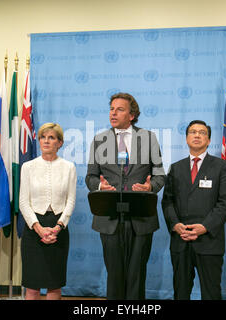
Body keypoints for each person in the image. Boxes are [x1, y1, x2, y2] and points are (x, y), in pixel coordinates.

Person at [86, 92, 165, 300]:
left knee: (136, 273)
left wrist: (150, 188)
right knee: (115, 274)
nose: (113, 113)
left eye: (119, 109)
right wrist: (100, 186)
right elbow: (90, 177)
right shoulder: (99, 140)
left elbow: (159, 175)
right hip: (109, 217)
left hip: (141, 217)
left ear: (132, 115)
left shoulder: (149, 138)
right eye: (111, 109)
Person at [161, 120, 226, 300]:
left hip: (209, 240)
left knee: (211, 292)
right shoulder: (176, 168)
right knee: (181, 291)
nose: (197, 135)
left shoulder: (222, 167)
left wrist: (205, 226)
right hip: (181, 239)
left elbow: (225, 202)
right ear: (186, 138)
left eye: (202, 132)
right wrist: (175, 224)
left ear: (208, 140)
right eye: (193, 132)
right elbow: (167, 201)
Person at [19, 123, 76, 300]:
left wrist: (58, 227)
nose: (46, 141)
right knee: (32, 286)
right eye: (43, 137)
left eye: (51, 137)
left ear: (59, 142)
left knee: (54, 285)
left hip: (58, 229)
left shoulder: (69, 167)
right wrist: (39, 229)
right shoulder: (28, 167)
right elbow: (23, 202)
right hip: (33, 230)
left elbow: (71, 201)